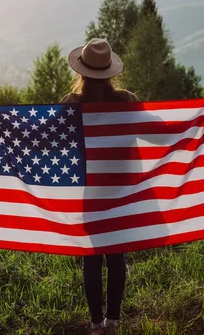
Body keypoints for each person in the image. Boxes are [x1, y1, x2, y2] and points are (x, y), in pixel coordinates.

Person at [60, 38, 138, 335]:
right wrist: (198, 116)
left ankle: (95, 324)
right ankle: (113, 321)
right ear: (111, 72)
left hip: (90, 189)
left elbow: (44, 135)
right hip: (121, 188)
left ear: (81, 72)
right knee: (116, 255)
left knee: (91, 258)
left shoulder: (72, 104)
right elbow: (155, 129)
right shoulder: (127, 100)